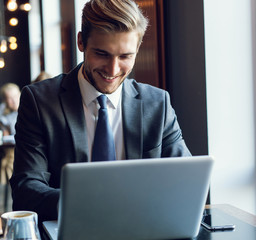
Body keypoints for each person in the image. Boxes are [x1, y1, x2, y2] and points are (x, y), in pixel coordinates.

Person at [10, 0, 191, 223]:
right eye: (102, 54)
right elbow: (26, 191)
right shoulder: (39, 101)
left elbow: (185, 182)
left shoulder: (158, 104)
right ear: (81, 42)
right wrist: (97, 206)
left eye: (125, 56)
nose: (113, 70)